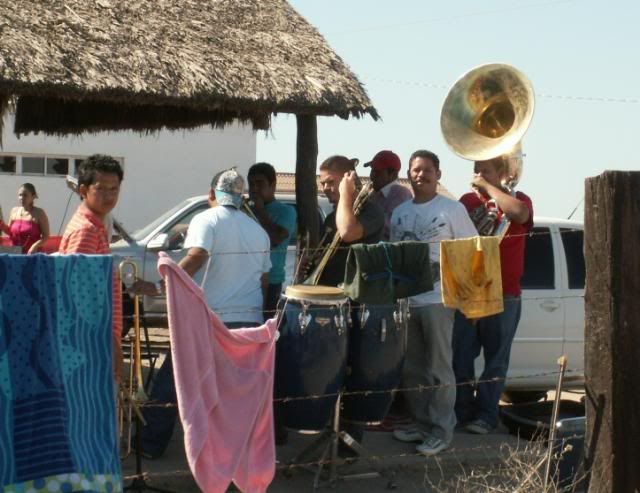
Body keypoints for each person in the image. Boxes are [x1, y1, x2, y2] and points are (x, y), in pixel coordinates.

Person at [130, 168, 271, 459]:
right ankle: (233, 455)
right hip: (249, 321)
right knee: (233, 393)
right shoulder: (258, 231)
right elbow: (264, 280)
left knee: (173, 380)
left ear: (211, 195)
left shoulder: (206, 219)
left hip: (211, 320)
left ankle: (150, 445)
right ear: (240, 196)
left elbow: (197, 256)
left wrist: (159, 284)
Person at [389, 149, 477, 456]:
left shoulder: (452, 210)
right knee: (413, 369)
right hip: (406, 301)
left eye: (427, 170)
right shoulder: (399, 212)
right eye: (415, 170)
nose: (420, 175)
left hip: (439, 300)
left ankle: (442, 431)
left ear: (438, 174)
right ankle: (422, 425)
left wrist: (468, 299)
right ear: (408, 174)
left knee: (440, 368)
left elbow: (471, 252)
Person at [452, 155, 534, 435]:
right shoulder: (467, 201)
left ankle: (486, 416)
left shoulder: (519, 198)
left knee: (496, 360)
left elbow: (520, 214)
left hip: (505, 293)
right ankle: (461, 413)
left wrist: (489, 189)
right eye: (475, 169)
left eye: (484, 170)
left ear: (501, 172)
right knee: (460, 356)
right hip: (470, 291)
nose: (476, 174)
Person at [313, 155, 385, 451]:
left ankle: (349, 444)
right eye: (323, 183)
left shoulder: (370, 210)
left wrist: (346, 195)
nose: (325, 189)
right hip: (334, 306)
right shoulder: (333, 214)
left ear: (347, 178)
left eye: (331, 182)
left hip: (358, 306)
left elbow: (348, 232)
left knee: (354, 373)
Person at [58, 155, 124, 383]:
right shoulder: (86, 231)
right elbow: (80, 298)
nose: (109, 196)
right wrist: (111, 344)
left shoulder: (95, 226)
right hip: (90, 343)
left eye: (114, 189)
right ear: (84, 190)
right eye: (101, 189)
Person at [247, 162, 297, 319]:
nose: (254, 189)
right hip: (247, 279)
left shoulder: (286, 212)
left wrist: (261, 212)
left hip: (272, 280)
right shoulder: (246, 211)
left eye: (260, 184)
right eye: (251, 184)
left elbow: (275, 239)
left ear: (273, 185)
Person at [364, 150, 413, 240]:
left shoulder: (401, 194)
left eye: (377, 172)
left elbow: (392, 226)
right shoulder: (373, 194)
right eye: (372, 170)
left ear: (392, 175)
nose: (372, 176)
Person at [0, 183, 50, 254]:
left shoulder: (39, 213)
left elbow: (46, 236)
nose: (22, 198)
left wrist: (34, 246)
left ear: (33, 197)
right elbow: (10, 232)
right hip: (15, 253)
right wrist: (1, 224)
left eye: (25, 195)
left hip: (32, 255)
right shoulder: (14, 211)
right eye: (20, 195)